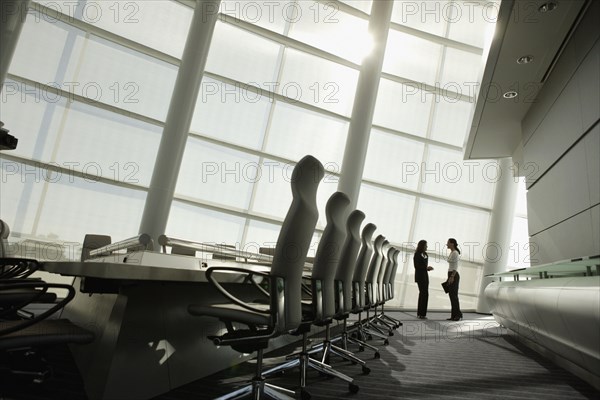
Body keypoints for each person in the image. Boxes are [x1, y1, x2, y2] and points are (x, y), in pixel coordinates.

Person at [413, 239, 433, 319]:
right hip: (420, 276)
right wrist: (426, 268)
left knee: (425, 294)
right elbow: (416, 266)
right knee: (423, 294)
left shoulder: (425, 254)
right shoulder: (417, 254)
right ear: (422, 246)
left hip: (425, 276)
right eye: (425, 245)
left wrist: (426, 268)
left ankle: (422, 313)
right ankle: (421, 313)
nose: (427, 246)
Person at [445, 238, 463, 321]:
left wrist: (452, 277)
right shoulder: (452, 252)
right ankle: (454, 315)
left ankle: (457, 315)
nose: (446, 244)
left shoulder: (455, 253)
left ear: (452, 244)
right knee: (451, 295)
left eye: (448, 243)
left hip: (454, 274)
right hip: (451, 274)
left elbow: (455, 266)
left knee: (454, 296)